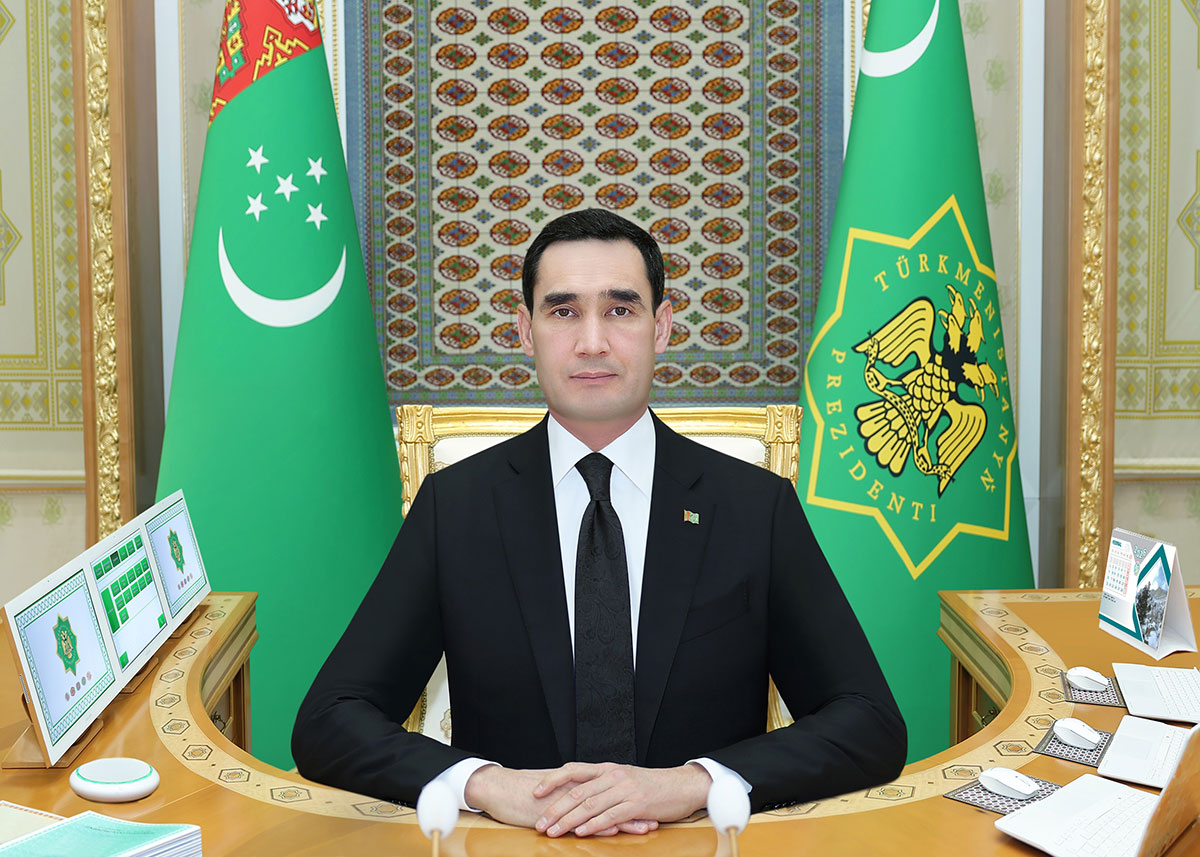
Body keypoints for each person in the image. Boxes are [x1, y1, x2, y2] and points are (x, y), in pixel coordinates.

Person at [292, 209, 906, 837]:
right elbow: (329, 720)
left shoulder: (754, 507)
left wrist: (696, 782)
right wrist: (487, 784)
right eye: (563, 312)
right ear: (526, 331)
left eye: (620, 310)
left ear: (660, 327)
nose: (592, 342)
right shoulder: (455, 507)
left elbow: (869, 722)